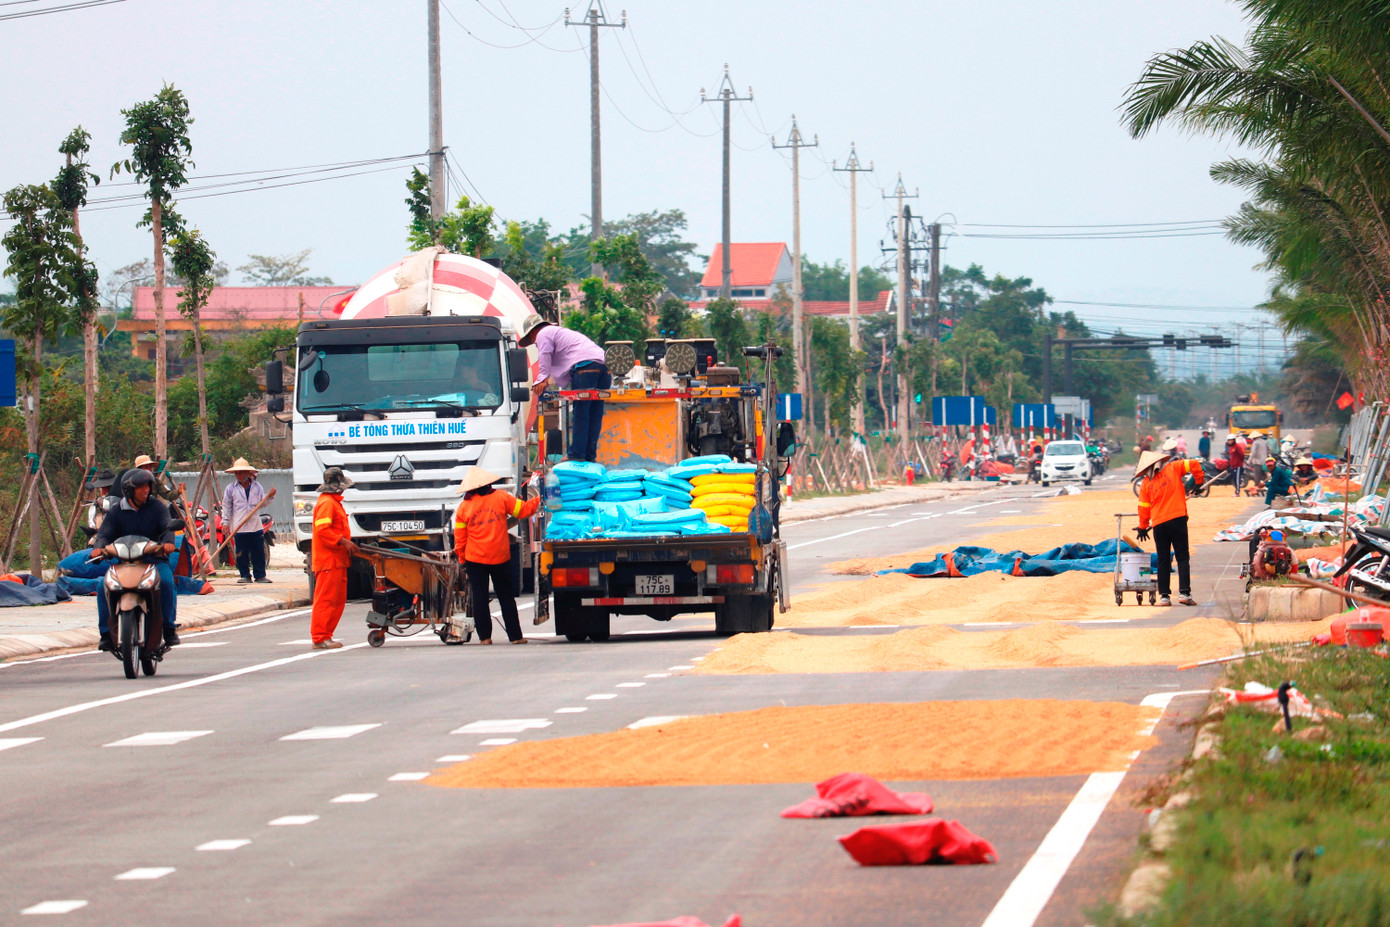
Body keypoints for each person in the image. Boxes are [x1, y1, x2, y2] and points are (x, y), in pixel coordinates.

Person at [91, 469, 179, 651]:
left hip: (153, 560)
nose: (145, 490)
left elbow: (167, 528)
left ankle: (169, 628)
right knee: (102, 586)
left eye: (147, 486)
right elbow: (104, 533)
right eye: (140, 487)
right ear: (129, 490)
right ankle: (106, 634)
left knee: (167, 582)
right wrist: (98, 547)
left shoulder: (157, 508)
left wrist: (169, 543)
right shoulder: (116, 511)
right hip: (123, 562)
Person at [453, 466, 540, 645]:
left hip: (474, 559)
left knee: (479, 598)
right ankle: (515, 636)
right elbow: (523, 511)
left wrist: (462, 559)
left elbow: (460, 539)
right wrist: (539, 499)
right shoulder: (501, 498)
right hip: (500, 557)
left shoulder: (464, 508)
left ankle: (485, 637)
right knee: (506, 597)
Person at [518, 313, 610, 463]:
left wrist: (542, 379)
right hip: (604, 367)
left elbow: (545, 354)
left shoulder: (543, 334)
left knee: (581, 412)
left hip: (585, 367)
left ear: (533, 332)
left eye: (533, 340)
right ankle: (589, 455)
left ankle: (577, 454)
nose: (535, 343)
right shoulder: (561, 333)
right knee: (594, 413)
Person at [1135, 449, 1205, 607]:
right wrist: (1199, 482)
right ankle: (1184, 593)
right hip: (1178, 519)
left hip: (1159, 524)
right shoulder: (1173, 468)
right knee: (1182, 557)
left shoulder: (1146, 483)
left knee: (1163, 559)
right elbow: (1194, 463)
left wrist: (1142, 527)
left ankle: (1164, 596)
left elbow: (1144, 508)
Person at [310, 467, 358, 650]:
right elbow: (323, 531)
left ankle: (325, 635)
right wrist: (344, 542)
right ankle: (320, 637)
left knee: (336, 600)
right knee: (326, 600)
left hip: (336, 560)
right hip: (329, 560)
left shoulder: (333, 503)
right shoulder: (327, 504)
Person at [222, 458, 270, 584]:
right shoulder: (230, 489)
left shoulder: (257, 487)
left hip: (255, 525)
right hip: (239, 526)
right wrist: (225, 522)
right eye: (237, 473)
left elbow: (263, 504)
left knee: (258, 552)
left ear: (247, 473)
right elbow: (226, 506)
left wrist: (270, 497)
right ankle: (245, 575)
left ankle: (260, 576)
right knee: (241, 553)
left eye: (242, 473)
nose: (239, 475)